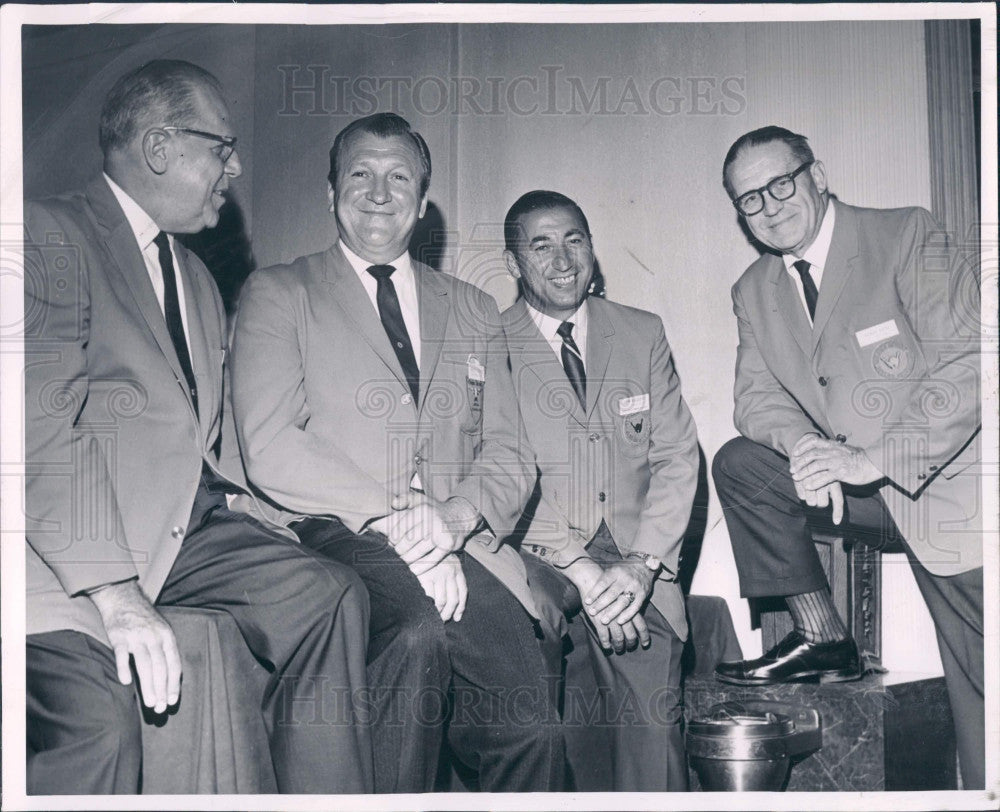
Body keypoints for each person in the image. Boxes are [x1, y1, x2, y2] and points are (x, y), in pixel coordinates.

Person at [23, 60, 373, 795]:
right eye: (222, 146)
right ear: (159, 148)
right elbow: (40, 428)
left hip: (192, 528)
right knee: (98, 724)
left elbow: (199, 443)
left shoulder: (200, 280)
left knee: (332, 593)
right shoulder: (48, 234)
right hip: (100, 536)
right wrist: (115, 593)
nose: (235, 166)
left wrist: (262, 510)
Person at [230, 113, 564, 793]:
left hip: (460, 542)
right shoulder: (279, 292)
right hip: (330, 533)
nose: (380, 192)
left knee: (532, 728)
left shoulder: (473, 307)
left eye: (399, 177)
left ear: (422, 198)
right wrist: (403, 520)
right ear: (330, 194)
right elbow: (268, 444)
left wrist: (451, 521)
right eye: (361, 174)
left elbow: (510, 451)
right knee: (415, 638)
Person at [712, 125, 983, 788]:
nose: (770, 207)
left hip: (957, 490)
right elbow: (756, 397)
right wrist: (803, 443)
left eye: (781, 184)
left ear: (818, 175)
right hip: (862, 496)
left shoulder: (904, 235)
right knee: (742, 463)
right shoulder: (753, 289)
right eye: (751, 199)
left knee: (980, 686)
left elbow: (974, 361)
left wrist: (877, 457)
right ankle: (821, 634)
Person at [501, 190, 699, 791]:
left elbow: (677, 456)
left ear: (593, 249)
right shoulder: (487, 341)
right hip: (540, 559)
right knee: (562, 742)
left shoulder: (641, 332)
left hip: (638, 561)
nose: (563, 260)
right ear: (514, 263)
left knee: (651, 740)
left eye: (575, 240)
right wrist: (583, 571)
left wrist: (640, 568)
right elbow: (494, 472)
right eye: (541, 245)